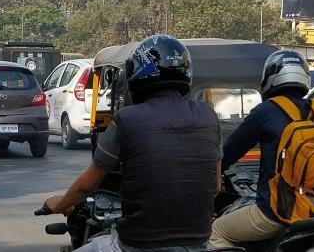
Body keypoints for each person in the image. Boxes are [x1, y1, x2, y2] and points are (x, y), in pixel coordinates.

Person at [43, 35, 221, 252]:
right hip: (198, 243)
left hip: (139, 244)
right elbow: (215, 185)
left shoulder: (126, 119)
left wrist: (61, 204)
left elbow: (86, 186)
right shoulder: (209, 115)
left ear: (138, 73)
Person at [208, 50, 314, 248]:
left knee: (216, 231)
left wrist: (211, 175)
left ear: (270, 78)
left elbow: (229, 152)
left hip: (277, 214)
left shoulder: (266, 111)